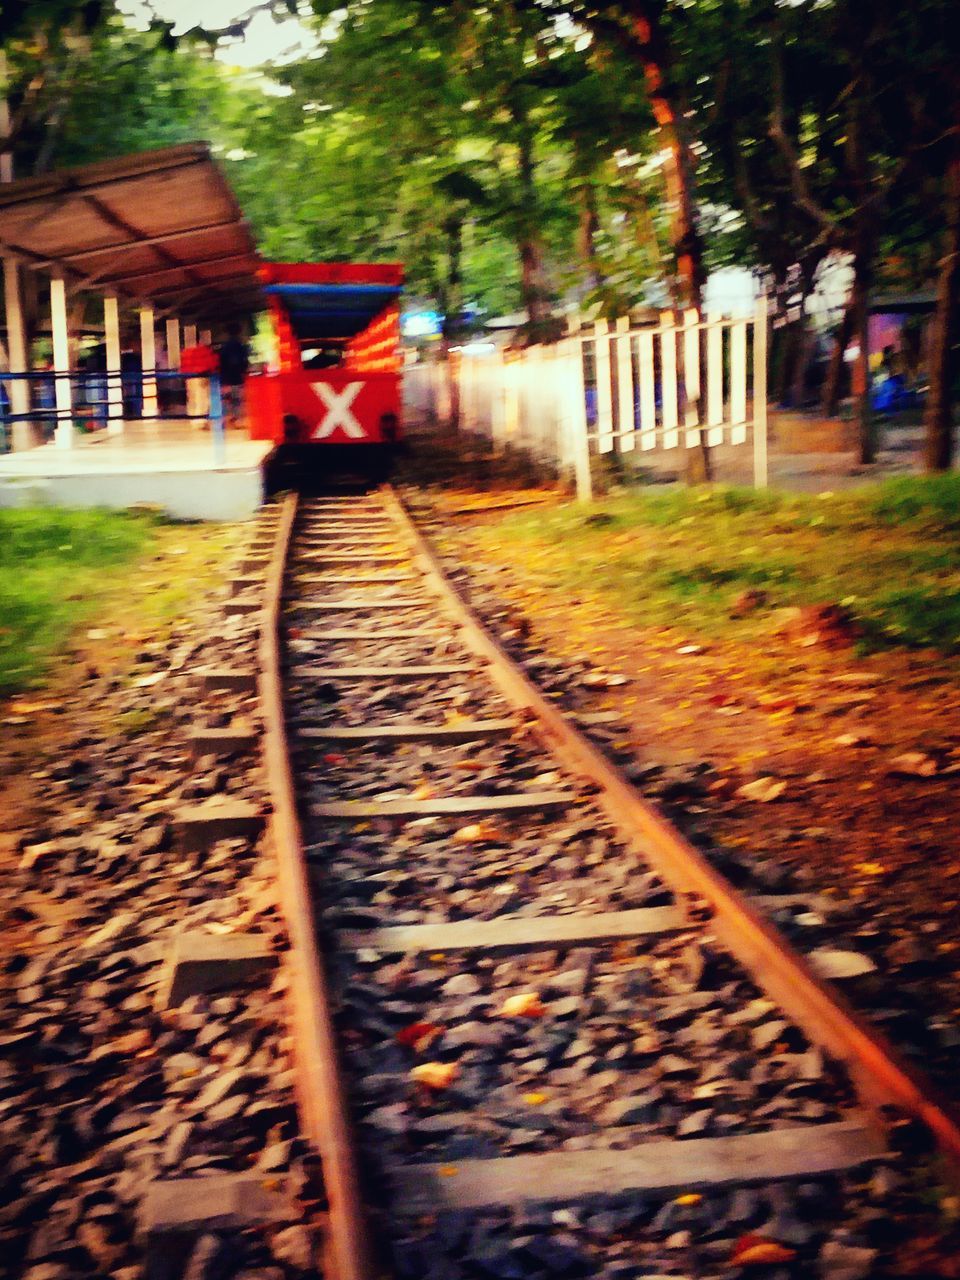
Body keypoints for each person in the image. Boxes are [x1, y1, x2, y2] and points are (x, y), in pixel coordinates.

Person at [181, 335, 217, 425]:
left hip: (189, 377)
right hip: (202, 376)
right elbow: (211, 363)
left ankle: (193, 419)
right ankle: (201, 420)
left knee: (192, 398)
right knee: (202, 398)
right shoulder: (204, 350)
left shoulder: (186, 351)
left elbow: (183, 365)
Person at [218, 323, 250, 425]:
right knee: (236, 400)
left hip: (226, 378)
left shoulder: (225, 347)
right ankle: (236, 419)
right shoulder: (241, 346)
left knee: (226, 399)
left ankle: (224, 419)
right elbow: (245, 362)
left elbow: (221, 362)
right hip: (237, 378)